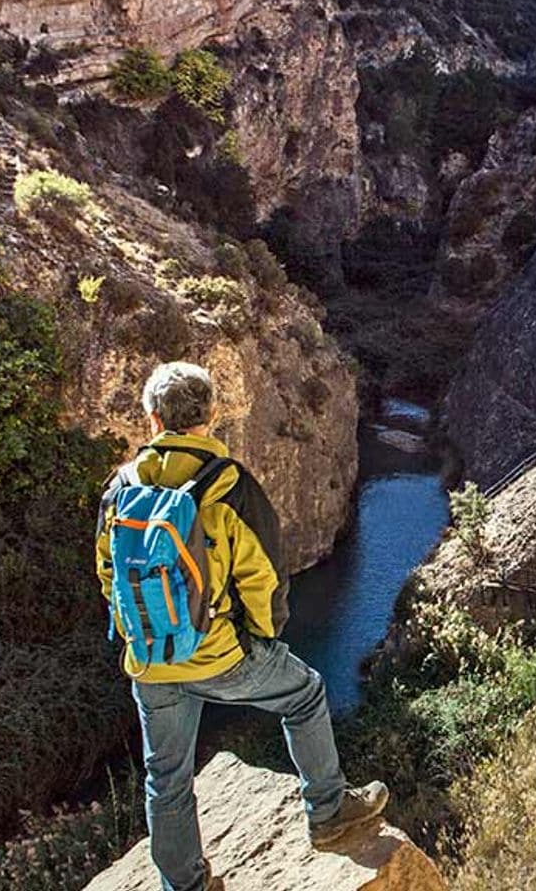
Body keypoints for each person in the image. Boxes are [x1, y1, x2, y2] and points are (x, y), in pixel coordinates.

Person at [96, 361, 387, 891]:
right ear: (210, 416)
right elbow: (265, 577)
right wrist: (262, 638)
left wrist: (143, 632)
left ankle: (183, 883)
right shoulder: (228, 486)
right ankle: (327, 812)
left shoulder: (121, 487)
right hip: (222, 653)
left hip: (150, 659)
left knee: (166, 777)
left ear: (152, 419)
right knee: (304, 694)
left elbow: (106, 572)